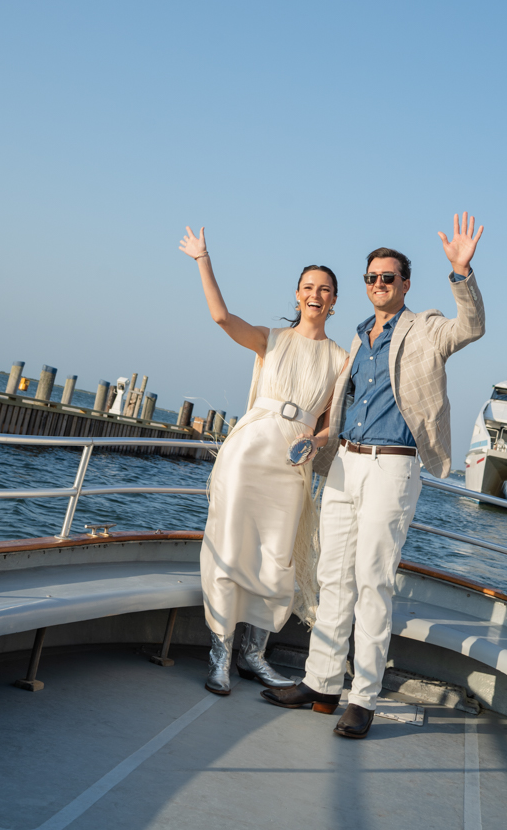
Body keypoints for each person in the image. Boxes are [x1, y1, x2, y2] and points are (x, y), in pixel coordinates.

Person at [262, 212, 485, 738]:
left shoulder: (426, 330)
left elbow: (471, 327)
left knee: (373, 582)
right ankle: (320, 684)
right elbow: (341, 411)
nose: (378, 285)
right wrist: (319, 440)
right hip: (345, 462)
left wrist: (462, 273)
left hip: (393, 466)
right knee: (331, 576)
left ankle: (362, 697)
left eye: (388, 278)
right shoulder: (359, 340)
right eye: (371, 278)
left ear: (405, 285)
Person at [179, 225, 348, 696]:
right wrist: (202, 258)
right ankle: (220, 656)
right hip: (249, 451)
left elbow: (331, 423)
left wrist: (315, 444)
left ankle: (254, 656)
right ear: (297, 295)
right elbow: (219, 316)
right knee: (230, 546)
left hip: (293, 462)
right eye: (309, 287)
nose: (316, 295)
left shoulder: (341, 358)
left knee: (277, 558)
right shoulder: (269, 339)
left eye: (325, 290)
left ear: (334, 301)